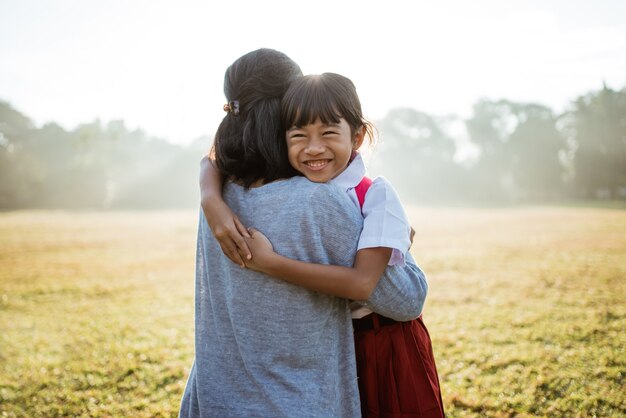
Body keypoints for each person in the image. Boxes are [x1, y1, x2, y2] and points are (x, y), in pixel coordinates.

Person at [180, 49, 427, 418]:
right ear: (288, 111)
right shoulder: (318, 200)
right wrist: (399, 246)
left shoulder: (220, 197)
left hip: (213, 398)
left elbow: (210, 162)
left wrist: (207, 187)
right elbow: (405, 300)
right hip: (295, 402)